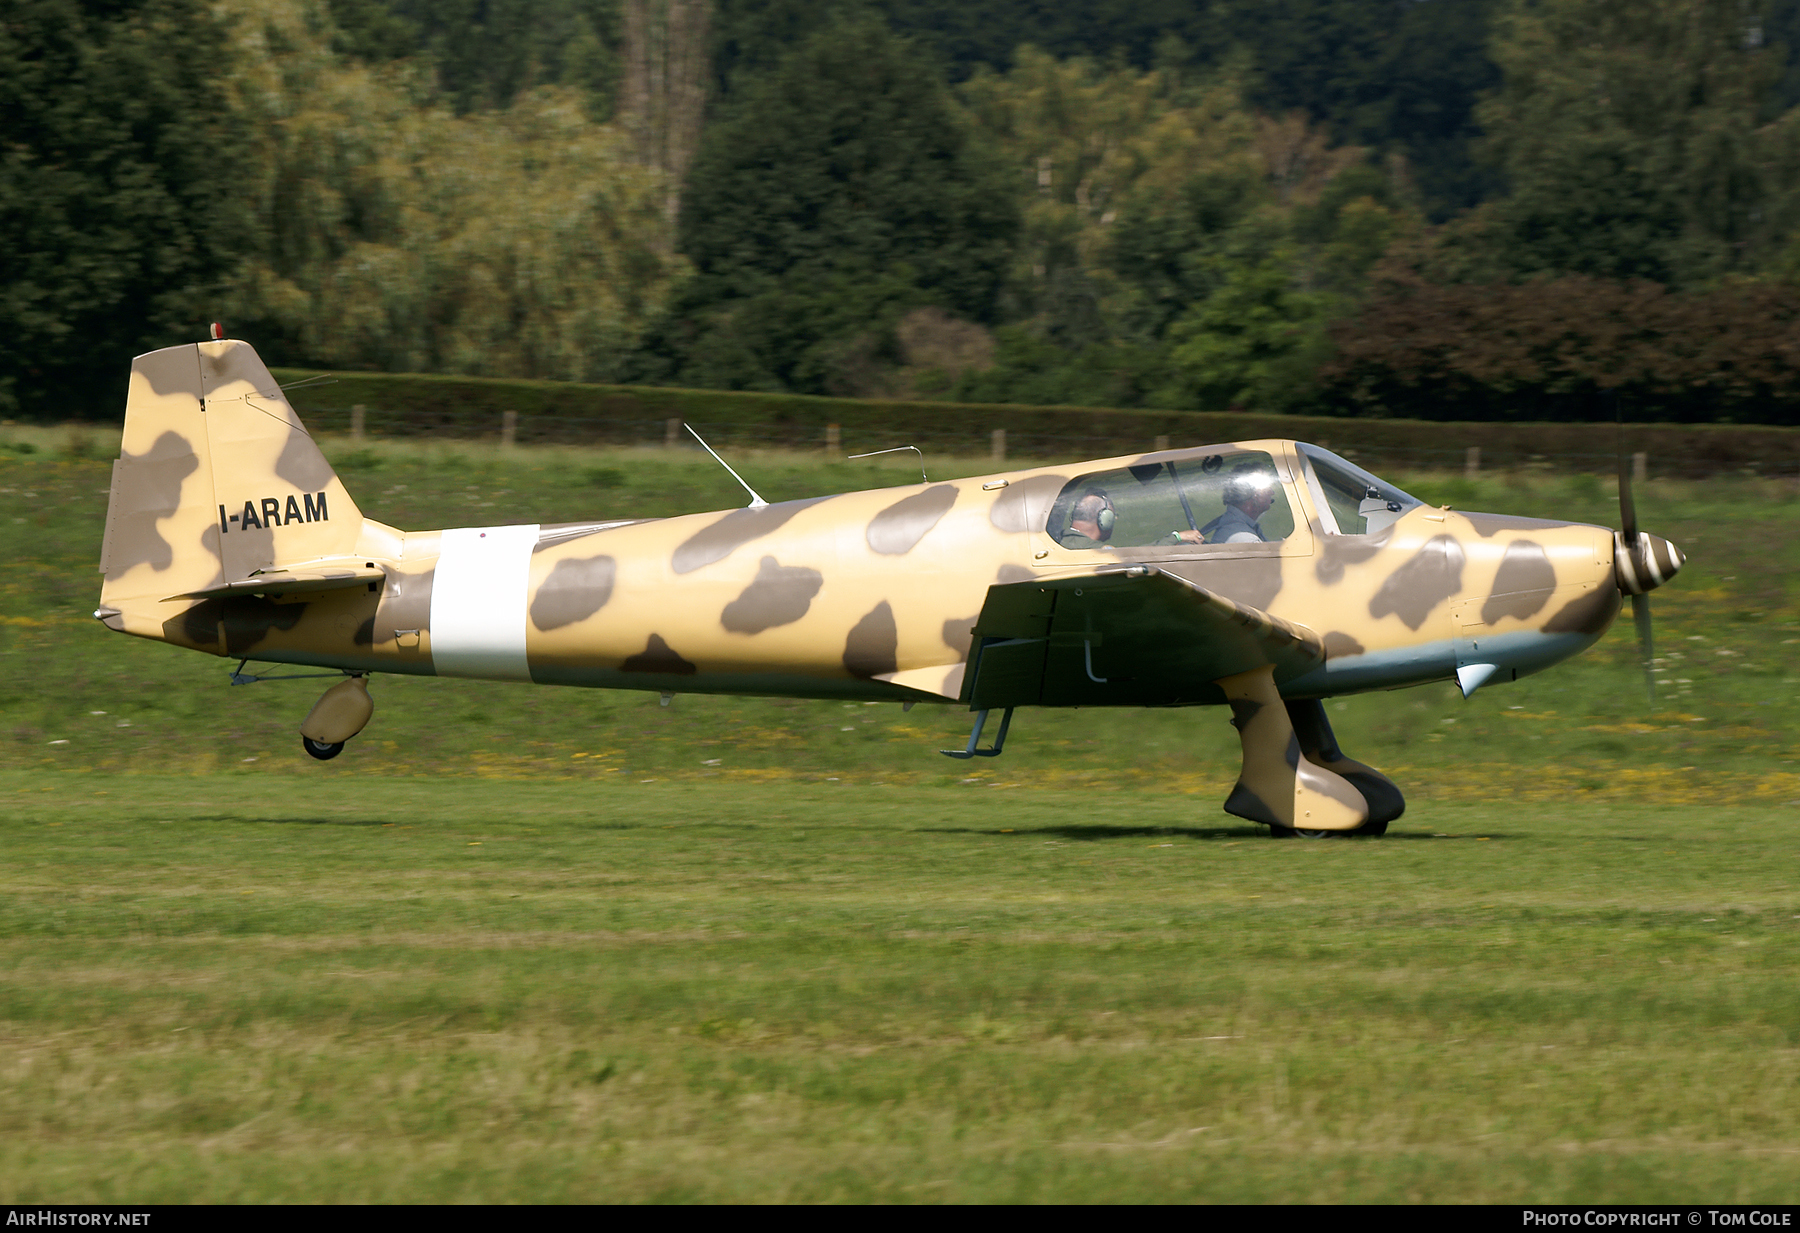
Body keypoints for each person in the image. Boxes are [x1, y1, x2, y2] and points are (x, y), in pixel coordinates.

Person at [1181, 461, 1278, 544]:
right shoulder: (1245, 538)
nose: (1272, 492)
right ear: (1252, 495)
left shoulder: (1239, 526)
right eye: (1266, 488)